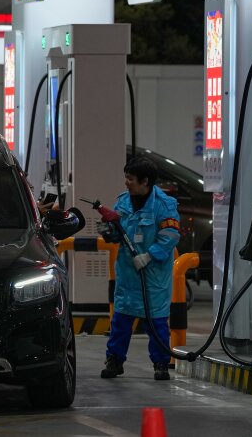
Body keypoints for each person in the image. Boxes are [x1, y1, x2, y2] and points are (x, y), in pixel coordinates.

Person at [99, 155, 180, 381]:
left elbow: (170, 235)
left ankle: (161, 363)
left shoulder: (164, 205)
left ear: (145, 182)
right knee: (121, 320)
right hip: (127, 273)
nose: (126, 182)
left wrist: (149, 255)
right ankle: (114, 360)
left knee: (156, 321)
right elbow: (118, 232)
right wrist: (108, 232)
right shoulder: (122, 202)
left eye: (131, 179)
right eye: (126, 177)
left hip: (152, 275)